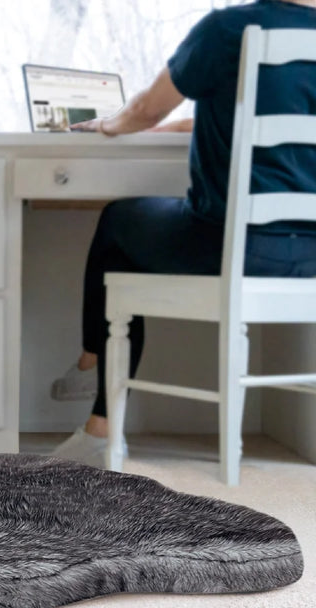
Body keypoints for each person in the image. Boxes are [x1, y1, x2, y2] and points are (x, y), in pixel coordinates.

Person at [51, 0, 316, 467]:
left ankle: (94, 377)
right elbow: (253, 116)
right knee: (129, 226)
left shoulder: (229, 28)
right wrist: (173, 127)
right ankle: (93, 391)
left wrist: (109, 125)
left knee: (117, 221)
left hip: (230, 246)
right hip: (307, 256)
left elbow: (147, 108)